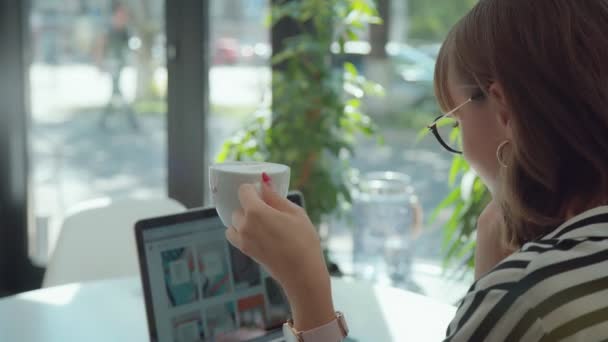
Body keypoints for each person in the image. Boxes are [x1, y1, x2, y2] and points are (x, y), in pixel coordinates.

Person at [226, 0, 608, 340]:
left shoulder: (529, 299)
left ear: (504, 110)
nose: (461, 151)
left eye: (454, 123)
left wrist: (306, 289)